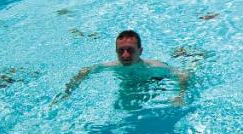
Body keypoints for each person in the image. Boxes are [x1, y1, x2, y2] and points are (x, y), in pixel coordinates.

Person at [55, 30, 190, 105]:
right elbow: (85, 70)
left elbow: (183, 74)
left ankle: (184, 53)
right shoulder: (113, 66)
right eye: (121, 51)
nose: (125, 55)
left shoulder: (154, 66)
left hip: (155, 81)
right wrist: (67, 92)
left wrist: (180, 96)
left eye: (130, 50)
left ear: (140, 51)